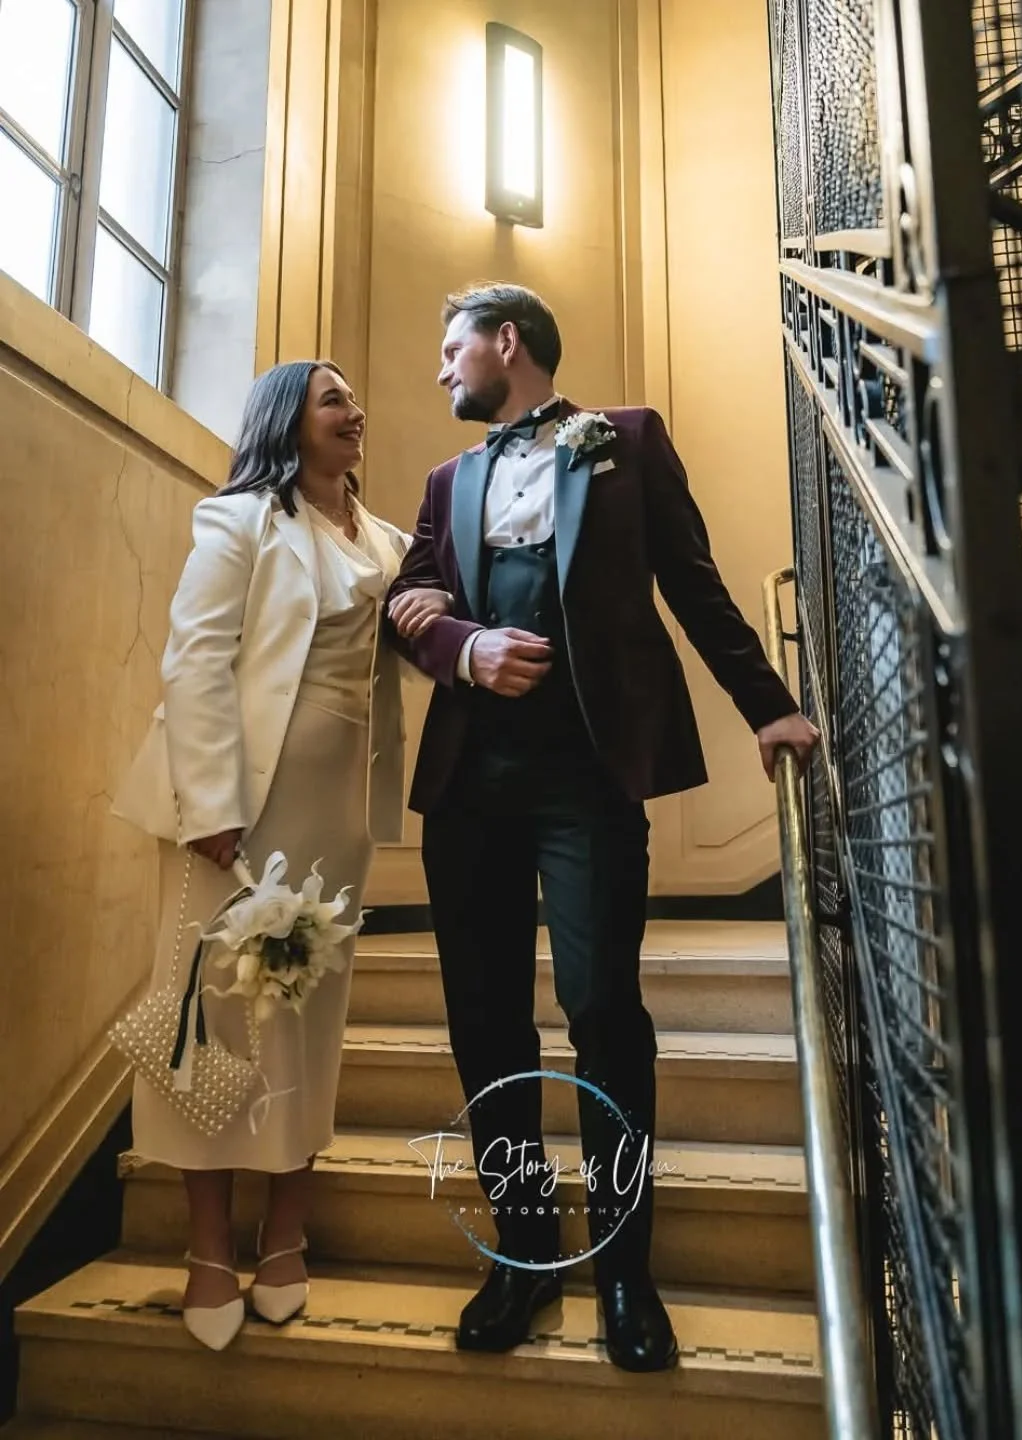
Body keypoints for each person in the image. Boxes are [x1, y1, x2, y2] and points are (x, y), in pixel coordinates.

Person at [385, 283, 819, 1373]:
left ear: (507, 342)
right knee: (486, 1024)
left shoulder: (624, 444)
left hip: (588, 777)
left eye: (453, 350)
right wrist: (464, 649)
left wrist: (767, 703)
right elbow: (410, 602)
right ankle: (525, 1253)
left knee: (604, 1012)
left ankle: (626, 1268)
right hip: (472, 783)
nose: (442, 371)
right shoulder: (447, 482)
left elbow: (697, 583)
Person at [112, 360, 448, 1351]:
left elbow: (422, 639)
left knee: (309, 1013)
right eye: (334, 398)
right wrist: (210, 805)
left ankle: (288, 1228)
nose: (357, 410)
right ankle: (209, 1245)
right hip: (240, 808)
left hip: (337, 810)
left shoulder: (388, 541)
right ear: (284, 421)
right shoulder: (242, 520)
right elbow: (196, 657)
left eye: (355, 397)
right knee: (213, 1015)